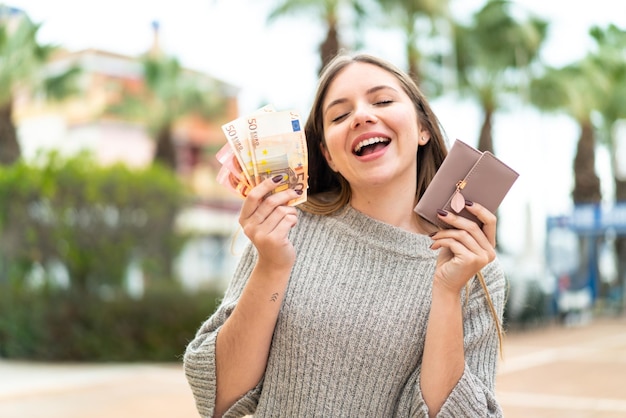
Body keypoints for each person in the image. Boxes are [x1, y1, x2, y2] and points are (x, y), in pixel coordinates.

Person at [184, 52, 506, 418]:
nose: (363, 116)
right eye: (340, 115)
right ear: (328, 155)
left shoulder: (474, 268)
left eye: (383, 100)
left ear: (422, 128)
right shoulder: (287, 229)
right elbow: (219, 398)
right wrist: (272, 266)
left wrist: (448, 291)